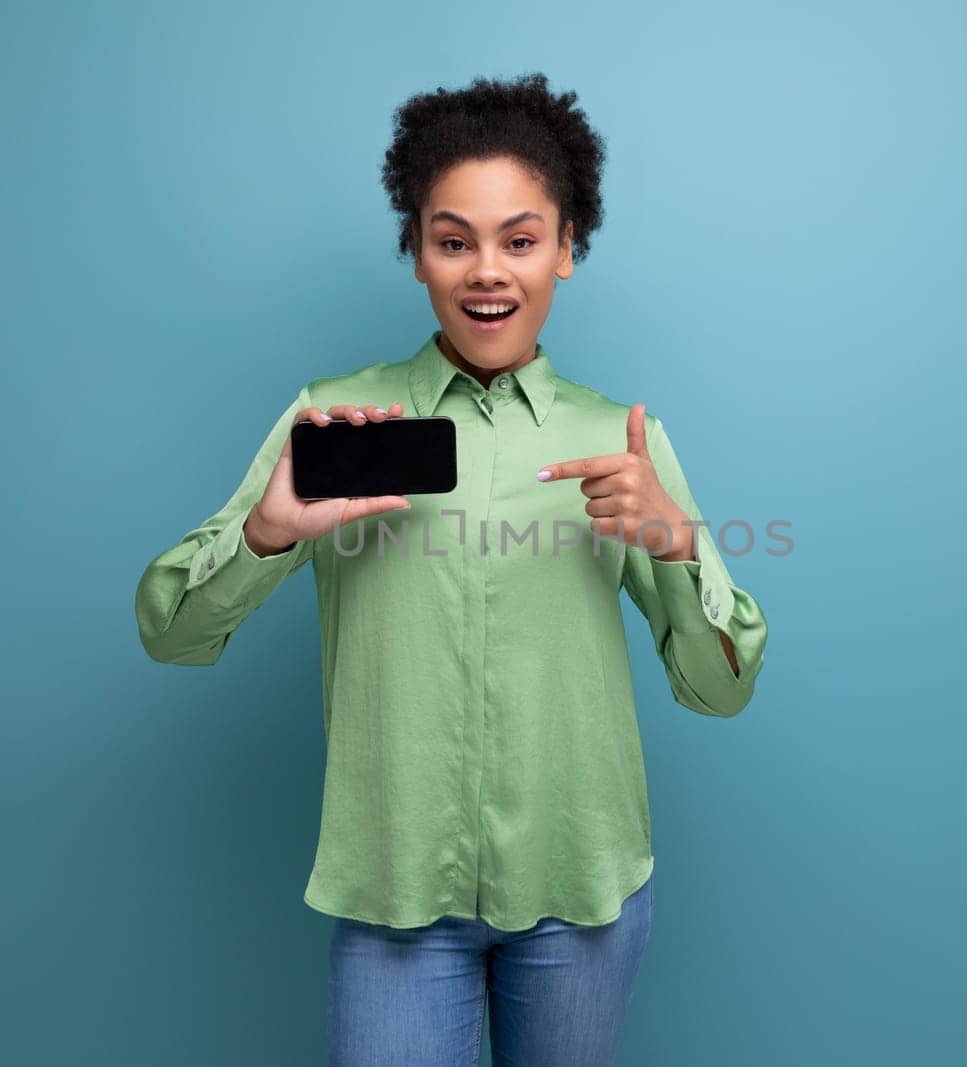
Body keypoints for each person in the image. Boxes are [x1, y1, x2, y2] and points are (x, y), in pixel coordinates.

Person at [134, 72, 769, 1066]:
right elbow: (171, 631)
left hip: (580, 895)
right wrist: (265, 534)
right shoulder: (334, 416)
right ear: (416, 252)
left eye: (520, 239)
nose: (488, 270)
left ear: (567, 250)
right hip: (396, 897)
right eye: (452, 238)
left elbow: (718, 689)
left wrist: (678, 546)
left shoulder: (619, 437)